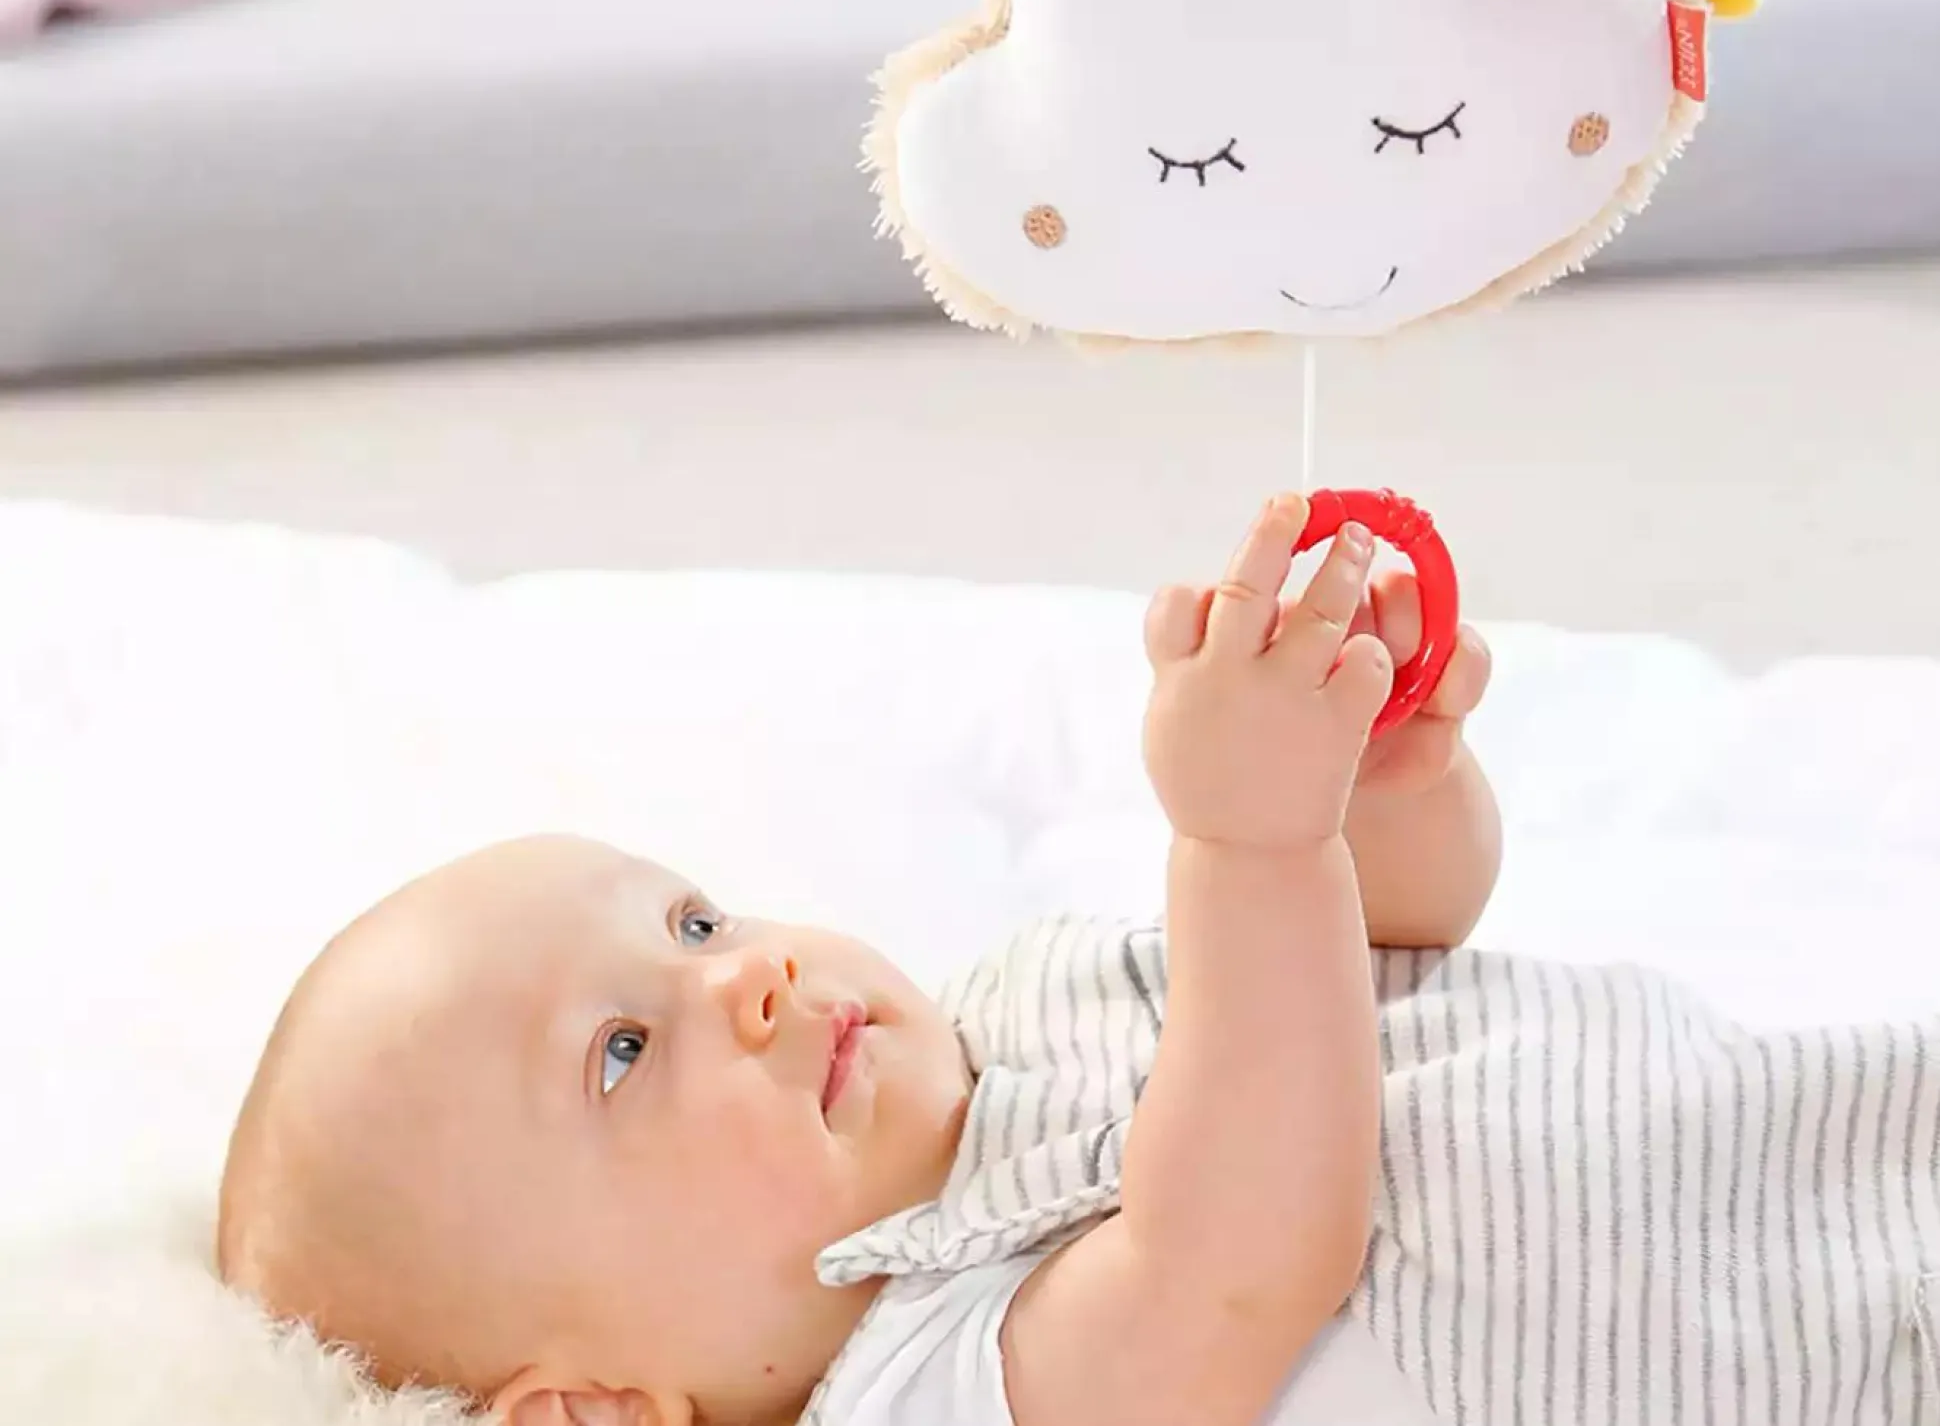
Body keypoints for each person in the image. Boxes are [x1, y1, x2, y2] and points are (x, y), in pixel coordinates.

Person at [218, 498, 1939, 1426]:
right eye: (623, 1052)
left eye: (695, 924)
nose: (747, 982)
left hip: (1836, 1143)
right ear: (597, 1411)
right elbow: (1238, 1261)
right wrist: (1251, 845)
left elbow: (1386, 956)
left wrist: (1368, 788)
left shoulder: (1024, 1001)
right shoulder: (919, 1383)